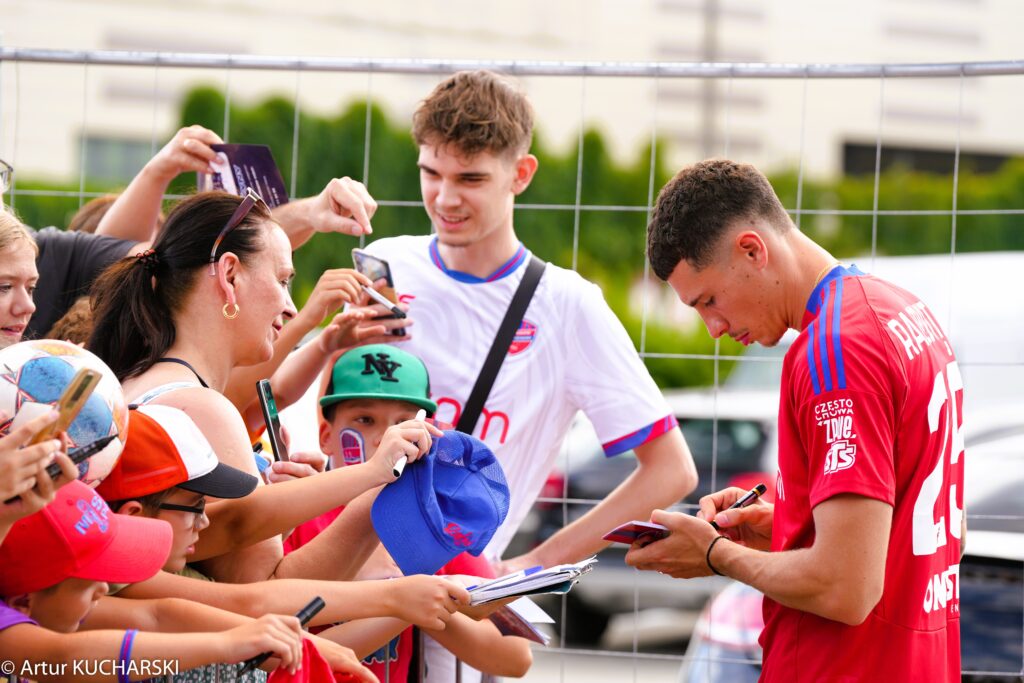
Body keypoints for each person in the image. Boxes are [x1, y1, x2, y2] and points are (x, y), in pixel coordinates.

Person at [627, 159, 964, 682]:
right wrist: (785, 529)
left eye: (709, 300)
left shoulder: (835, 350)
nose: (713, 327)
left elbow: (846, 588)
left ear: (752, 250)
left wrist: (715, 555)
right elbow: (931, 532)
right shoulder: (902, 311)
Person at [354, 70, 698, 567]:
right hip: (341, 581)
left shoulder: (566, 304)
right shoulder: (386, 264)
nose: (446, 198)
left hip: (454, 599)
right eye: (431, 173)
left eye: (470, 178)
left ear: (521, 173)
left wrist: (524, 569)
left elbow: (672, 472)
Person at [86, 191, 436, 586]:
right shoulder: (201, 408)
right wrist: (379, 488)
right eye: (283, 280)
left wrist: (279, 516)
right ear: (230, 274)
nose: (289, 306)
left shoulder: (145, 379)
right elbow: (267, 594)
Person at [285, 344, 532, 682]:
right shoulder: (297, 512)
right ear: (326, 437)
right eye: (365, 419)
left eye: (405, 422)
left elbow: (515, 656)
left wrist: (428, 597)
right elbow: (280, 655)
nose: (387, 437)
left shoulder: (436, 522)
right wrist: (401, 602)